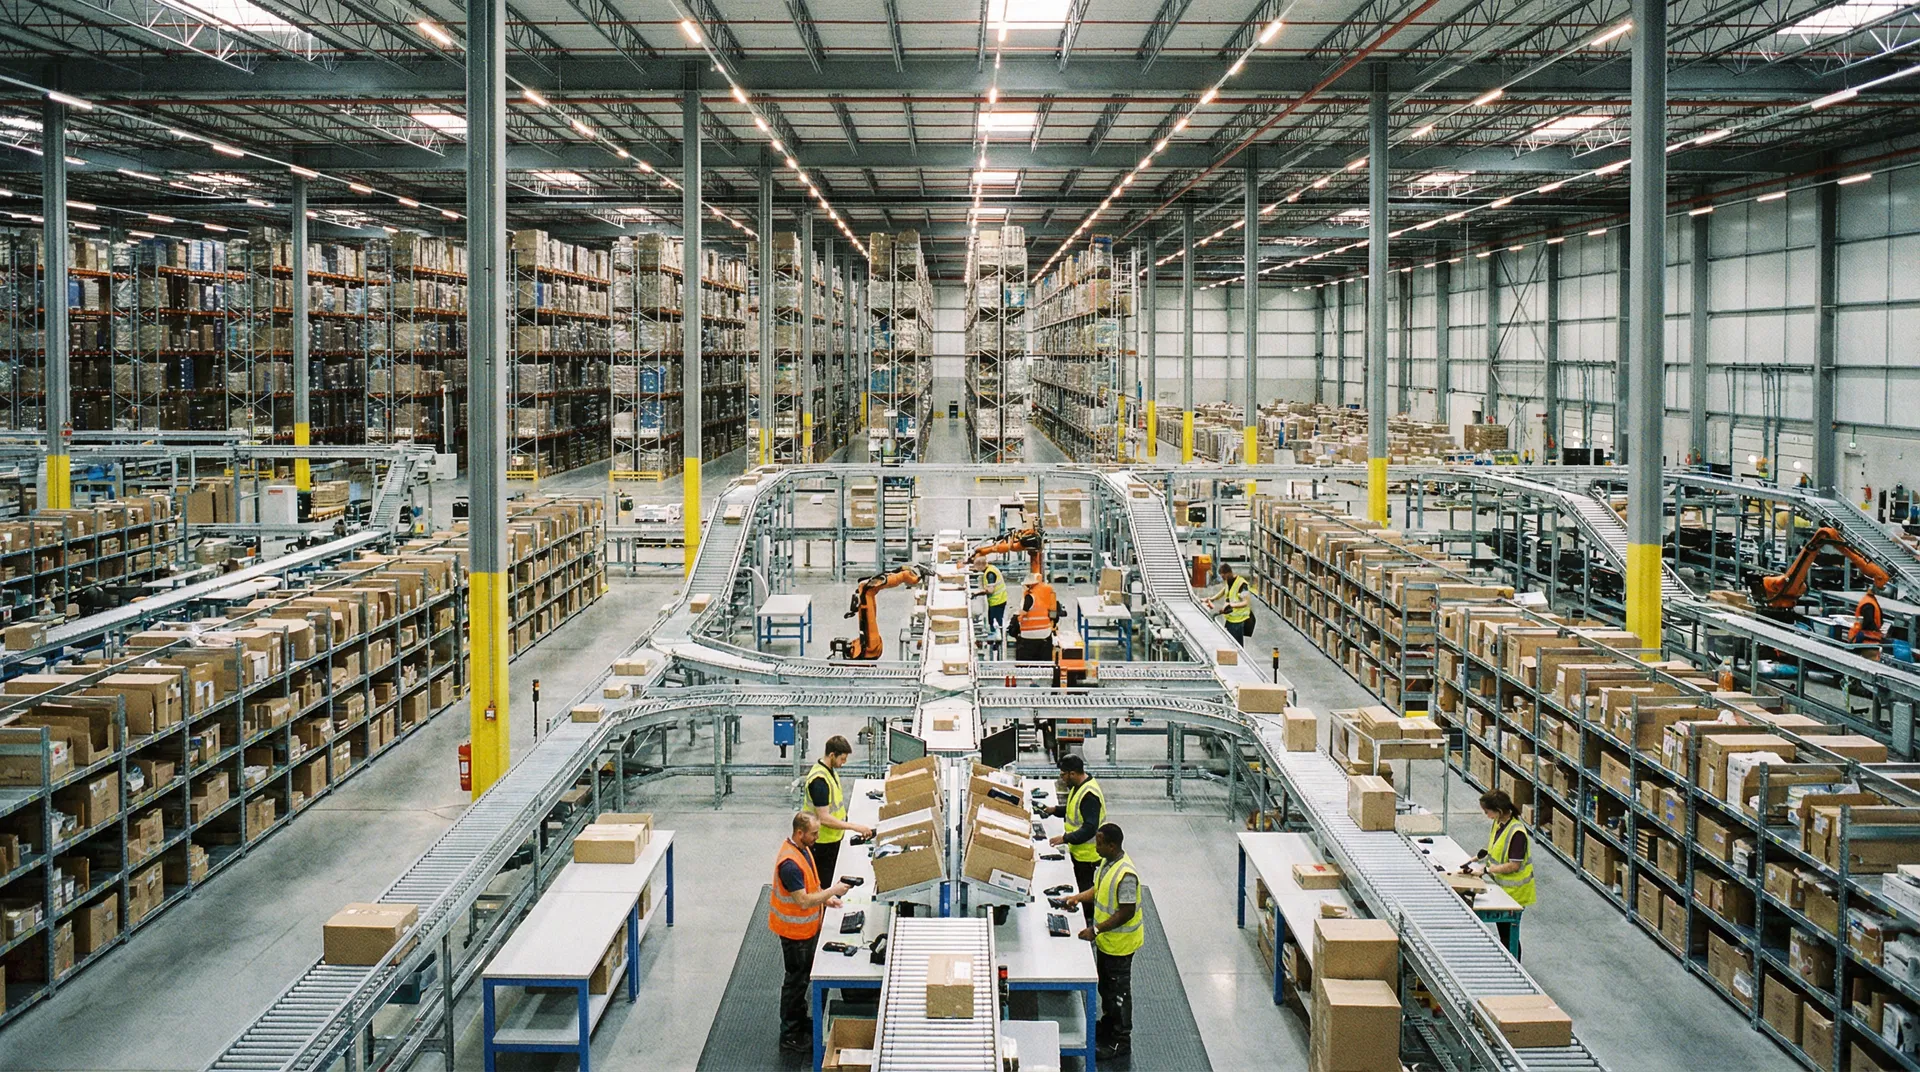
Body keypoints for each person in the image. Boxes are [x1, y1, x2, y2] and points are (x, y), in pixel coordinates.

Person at [770, 812, 851, 1054]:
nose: (817, 837)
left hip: (806, 929)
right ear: (799, 833)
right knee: (795, 982)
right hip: (794, 933)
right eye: (814, 833)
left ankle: (799, 1021)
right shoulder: (789, 864)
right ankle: (790, 1034)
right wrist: (833, 891)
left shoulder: (802, 850)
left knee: (802, 978)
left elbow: (811, 887)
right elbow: (803, 900)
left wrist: (827, 900)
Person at [1061, 823, 1142, 1060]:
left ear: (1112, 845)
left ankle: (1120, 1041)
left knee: (1119, 993)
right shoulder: (1109, 863)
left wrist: (1095, 930)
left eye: (1099, 843)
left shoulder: (1126, 874)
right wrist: (1076, 897)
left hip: (1121, 944)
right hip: (1109, 942)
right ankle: (1108, 1026)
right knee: (1106, 987)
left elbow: (1126, 912)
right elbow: (1099, 889)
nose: (1095, 847)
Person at [1463, 789, 1534, 956]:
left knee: (1509, 935)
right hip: (1501, 888)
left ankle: (1515, 968)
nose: (1486, 815)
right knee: (1504, 934)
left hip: (1514, 893)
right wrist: (1475, 859)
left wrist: (1486, 870)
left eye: (1487, 812)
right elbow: (1495, 848)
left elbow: (1514, 865)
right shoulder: (1499, 822)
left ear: (1499, 811)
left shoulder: (1517, 833)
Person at [803, 735, 872, 884]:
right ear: (832, 755)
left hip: (832, 838)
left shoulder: (829, 771)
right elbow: (824, 818)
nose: (843, 763)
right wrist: (854, 827)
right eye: (842, 759)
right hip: (822, 842)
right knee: (823, 884)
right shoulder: (819, 781)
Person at [1046, 754, 1106, 924]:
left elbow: (1089, 828)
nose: (1062, 778)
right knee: (1081, 886)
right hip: (1079, 850)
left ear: (1072, 773)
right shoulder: (1079, 787)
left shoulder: (1089, 796)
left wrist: (1065, 838)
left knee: (1085, 889)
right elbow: (1074, 809)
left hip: (1087, 854)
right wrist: (1054, 810)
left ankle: (1088, 922)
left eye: (1063, 774)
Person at [1014, 574, 1062, 662]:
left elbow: (1023, 612)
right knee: (1045, 666)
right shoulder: (1049, 593)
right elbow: (1054, 613)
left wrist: (1016, 615)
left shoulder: (1030, 596)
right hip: (1045, 634)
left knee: (1027, 665)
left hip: (1028, 636)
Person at [1208, 563, 1254, 644]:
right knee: (1231, 643)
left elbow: (1246, 602)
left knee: (1236, 645)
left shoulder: (1242, 584)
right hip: (1231, 618)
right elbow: (1224, 590)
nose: (1223, 579)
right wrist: (1212, 598)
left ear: (1228, 573)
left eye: (1223, 576)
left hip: (1238, 620)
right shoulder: (1228, 580)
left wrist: (1231, 605)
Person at [975, 562, 1009, 638]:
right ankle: (1000, 636)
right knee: (995, 620)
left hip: (997, 601)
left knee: (996, 622)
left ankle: (1000, 638)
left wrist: (978, 593)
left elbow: (991, 590)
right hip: (1000, 599)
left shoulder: (990, 574)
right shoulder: (991, 568)